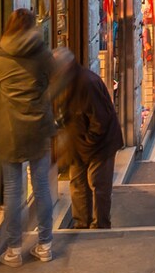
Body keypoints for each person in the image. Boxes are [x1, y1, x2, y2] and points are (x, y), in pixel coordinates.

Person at [0, 9, 57, 264]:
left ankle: (14, 250)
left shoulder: (0, 53)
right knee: (41, 187)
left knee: (13, 191)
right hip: (38, 125)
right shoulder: (41, 53)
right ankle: (45, 245)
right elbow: (56, 78)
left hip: (9, 127)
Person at [51, 48, 124, 230]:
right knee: (77, 183)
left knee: (98, 184)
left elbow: (100, 120)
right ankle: (81, 222)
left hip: (99, 143)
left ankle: (100, 225)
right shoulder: (63, 82)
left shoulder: (86, 83)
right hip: (79, 142)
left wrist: (88, 143)